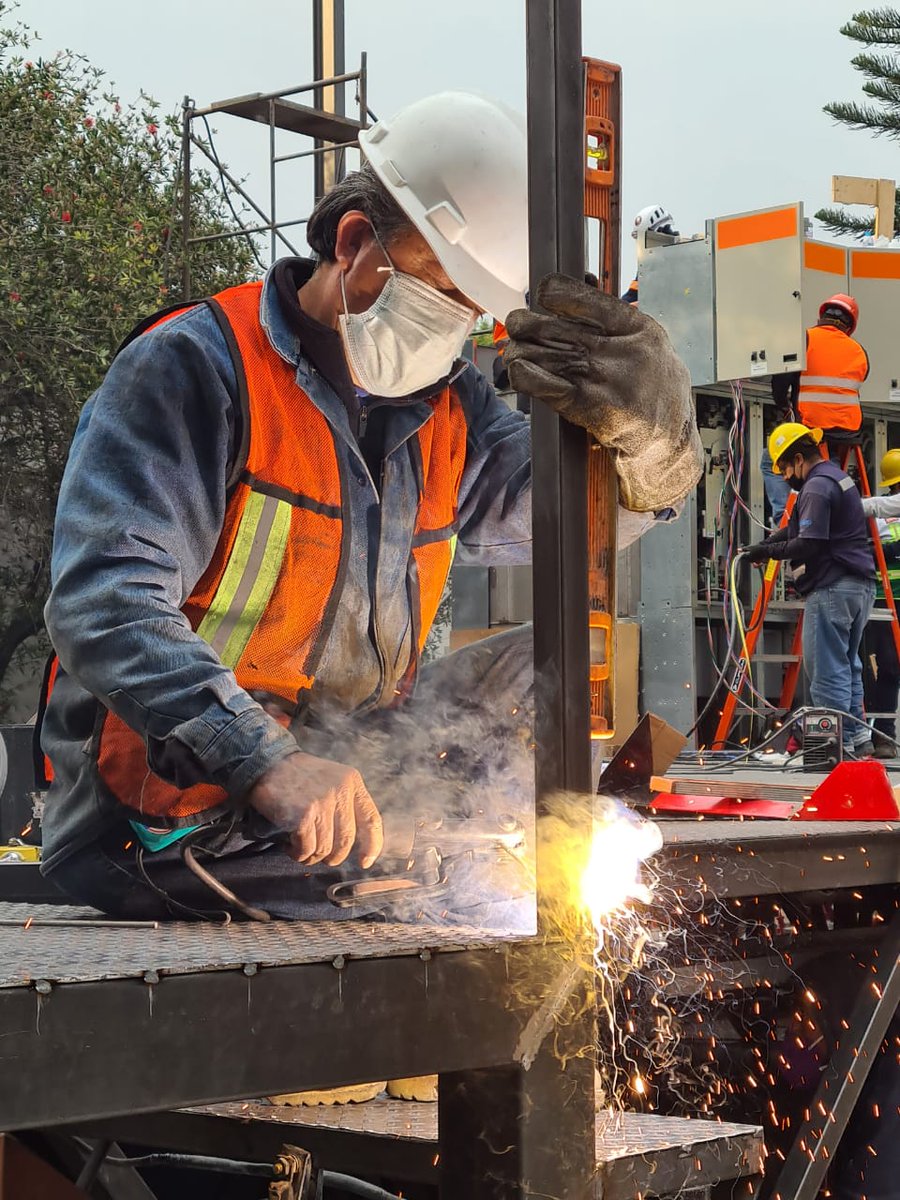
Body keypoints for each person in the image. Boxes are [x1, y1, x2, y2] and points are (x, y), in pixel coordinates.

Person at [38, 91, 702, 924]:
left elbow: (565, 520)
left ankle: (437, 844)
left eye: (475, 313)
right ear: (354, 243)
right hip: (167, 813)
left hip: (347, 777)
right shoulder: (194, 369)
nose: (457, 331)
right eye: (442, 291)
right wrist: (265, 759)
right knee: (441, 904)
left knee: (550, 650)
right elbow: (105, 600)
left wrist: (654, 449)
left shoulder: (447, 401)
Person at [743, 423, 876, 759]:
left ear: (799, 459)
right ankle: (860, 739)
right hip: (858, 588)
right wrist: (767, 543)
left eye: (786, 469)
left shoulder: (815, 487)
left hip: (832, 587)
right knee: (848, 666)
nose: (787, 476)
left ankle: (836, 749)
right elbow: (796, 526)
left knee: (828, 672)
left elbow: (811, 543)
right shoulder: (835, 477)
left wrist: (768, 554)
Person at [772, 294, 868, 456]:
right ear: (850, 325)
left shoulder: (806, 339)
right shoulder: (860, 351)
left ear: (822, 315)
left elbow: (782, 380)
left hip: (812, 426)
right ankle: (833, 474)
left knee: (769, 462)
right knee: (829, 456)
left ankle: (819, 476)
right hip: (849, 431)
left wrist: (783, 405)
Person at [860, 449, 900, 757]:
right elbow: (866, 553)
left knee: (890, 668)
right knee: (882, 668)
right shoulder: (878, 512)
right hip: (881, 602)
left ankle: (883, 735)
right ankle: (881, 735)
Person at [621, 205, 677, 305]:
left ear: (660, 232)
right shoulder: (649, 263)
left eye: (646, 239)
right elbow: (633, 294)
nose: (643, 245)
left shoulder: (681, 259)